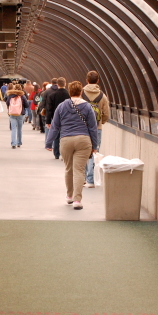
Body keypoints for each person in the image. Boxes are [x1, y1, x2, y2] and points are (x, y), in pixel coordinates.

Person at [45, 81, 98, 210]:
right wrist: (94, 145)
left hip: (66, 140)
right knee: (79, 170)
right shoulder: (87, 107)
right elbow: (93, 127)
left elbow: (55, 126)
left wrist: (49, 142)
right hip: (83, 140)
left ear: (69, 92)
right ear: (81, 92)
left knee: (69, 168)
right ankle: (77, 200)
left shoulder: (62, 106)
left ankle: (69, 196)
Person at [82, 70, 110, 188]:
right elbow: (106, 113)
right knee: (94, 151)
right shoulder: (102, 96)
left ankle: (82, 177)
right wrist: (100, 122)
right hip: (97, 128)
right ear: (98, 81)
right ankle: (90, 179)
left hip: (82, 127)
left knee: (82, 151)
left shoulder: (81, 93)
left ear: (87, 80)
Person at [45, 77, 70, 159]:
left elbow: (49, 109)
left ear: (57, 85)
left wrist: (48, 121)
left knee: (56, 136)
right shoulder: (69, 95)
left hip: (56, 118)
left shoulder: (53, 95)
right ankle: (64, 153)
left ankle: (56, 153)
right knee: (65, 136)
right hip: (67, 118)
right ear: (65, 84)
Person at [5, 83, 29, 149]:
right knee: (19, 128)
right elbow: (27, 105)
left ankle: (13, 143)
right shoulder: (22, 96)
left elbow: (7, 103)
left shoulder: (10, 95)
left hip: (12, 114)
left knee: (13, 129)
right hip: (20, 114)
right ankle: (19, 142)